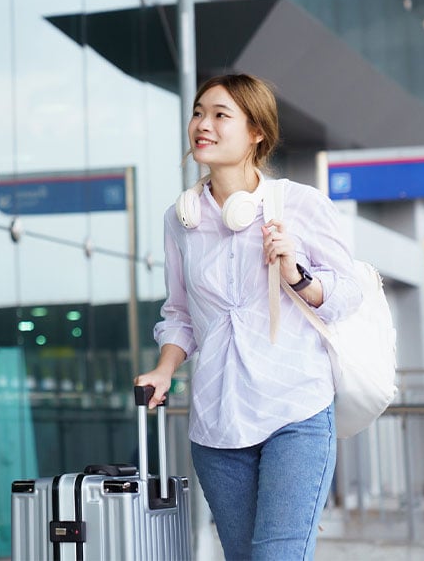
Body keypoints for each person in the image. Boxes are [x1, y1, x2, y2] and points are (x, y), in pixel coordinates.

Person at [134, 73, 362, 560]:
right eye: (199, 112)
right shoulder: (181, 221)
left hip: (295, 412)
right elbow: (179, 313)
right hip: (217, 424)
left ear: (256, 132)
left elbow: (348, 294)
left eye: (220, 115)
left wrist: (296, 273)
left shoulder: (301, 205)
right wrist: (165, 367)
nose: (203, 125)